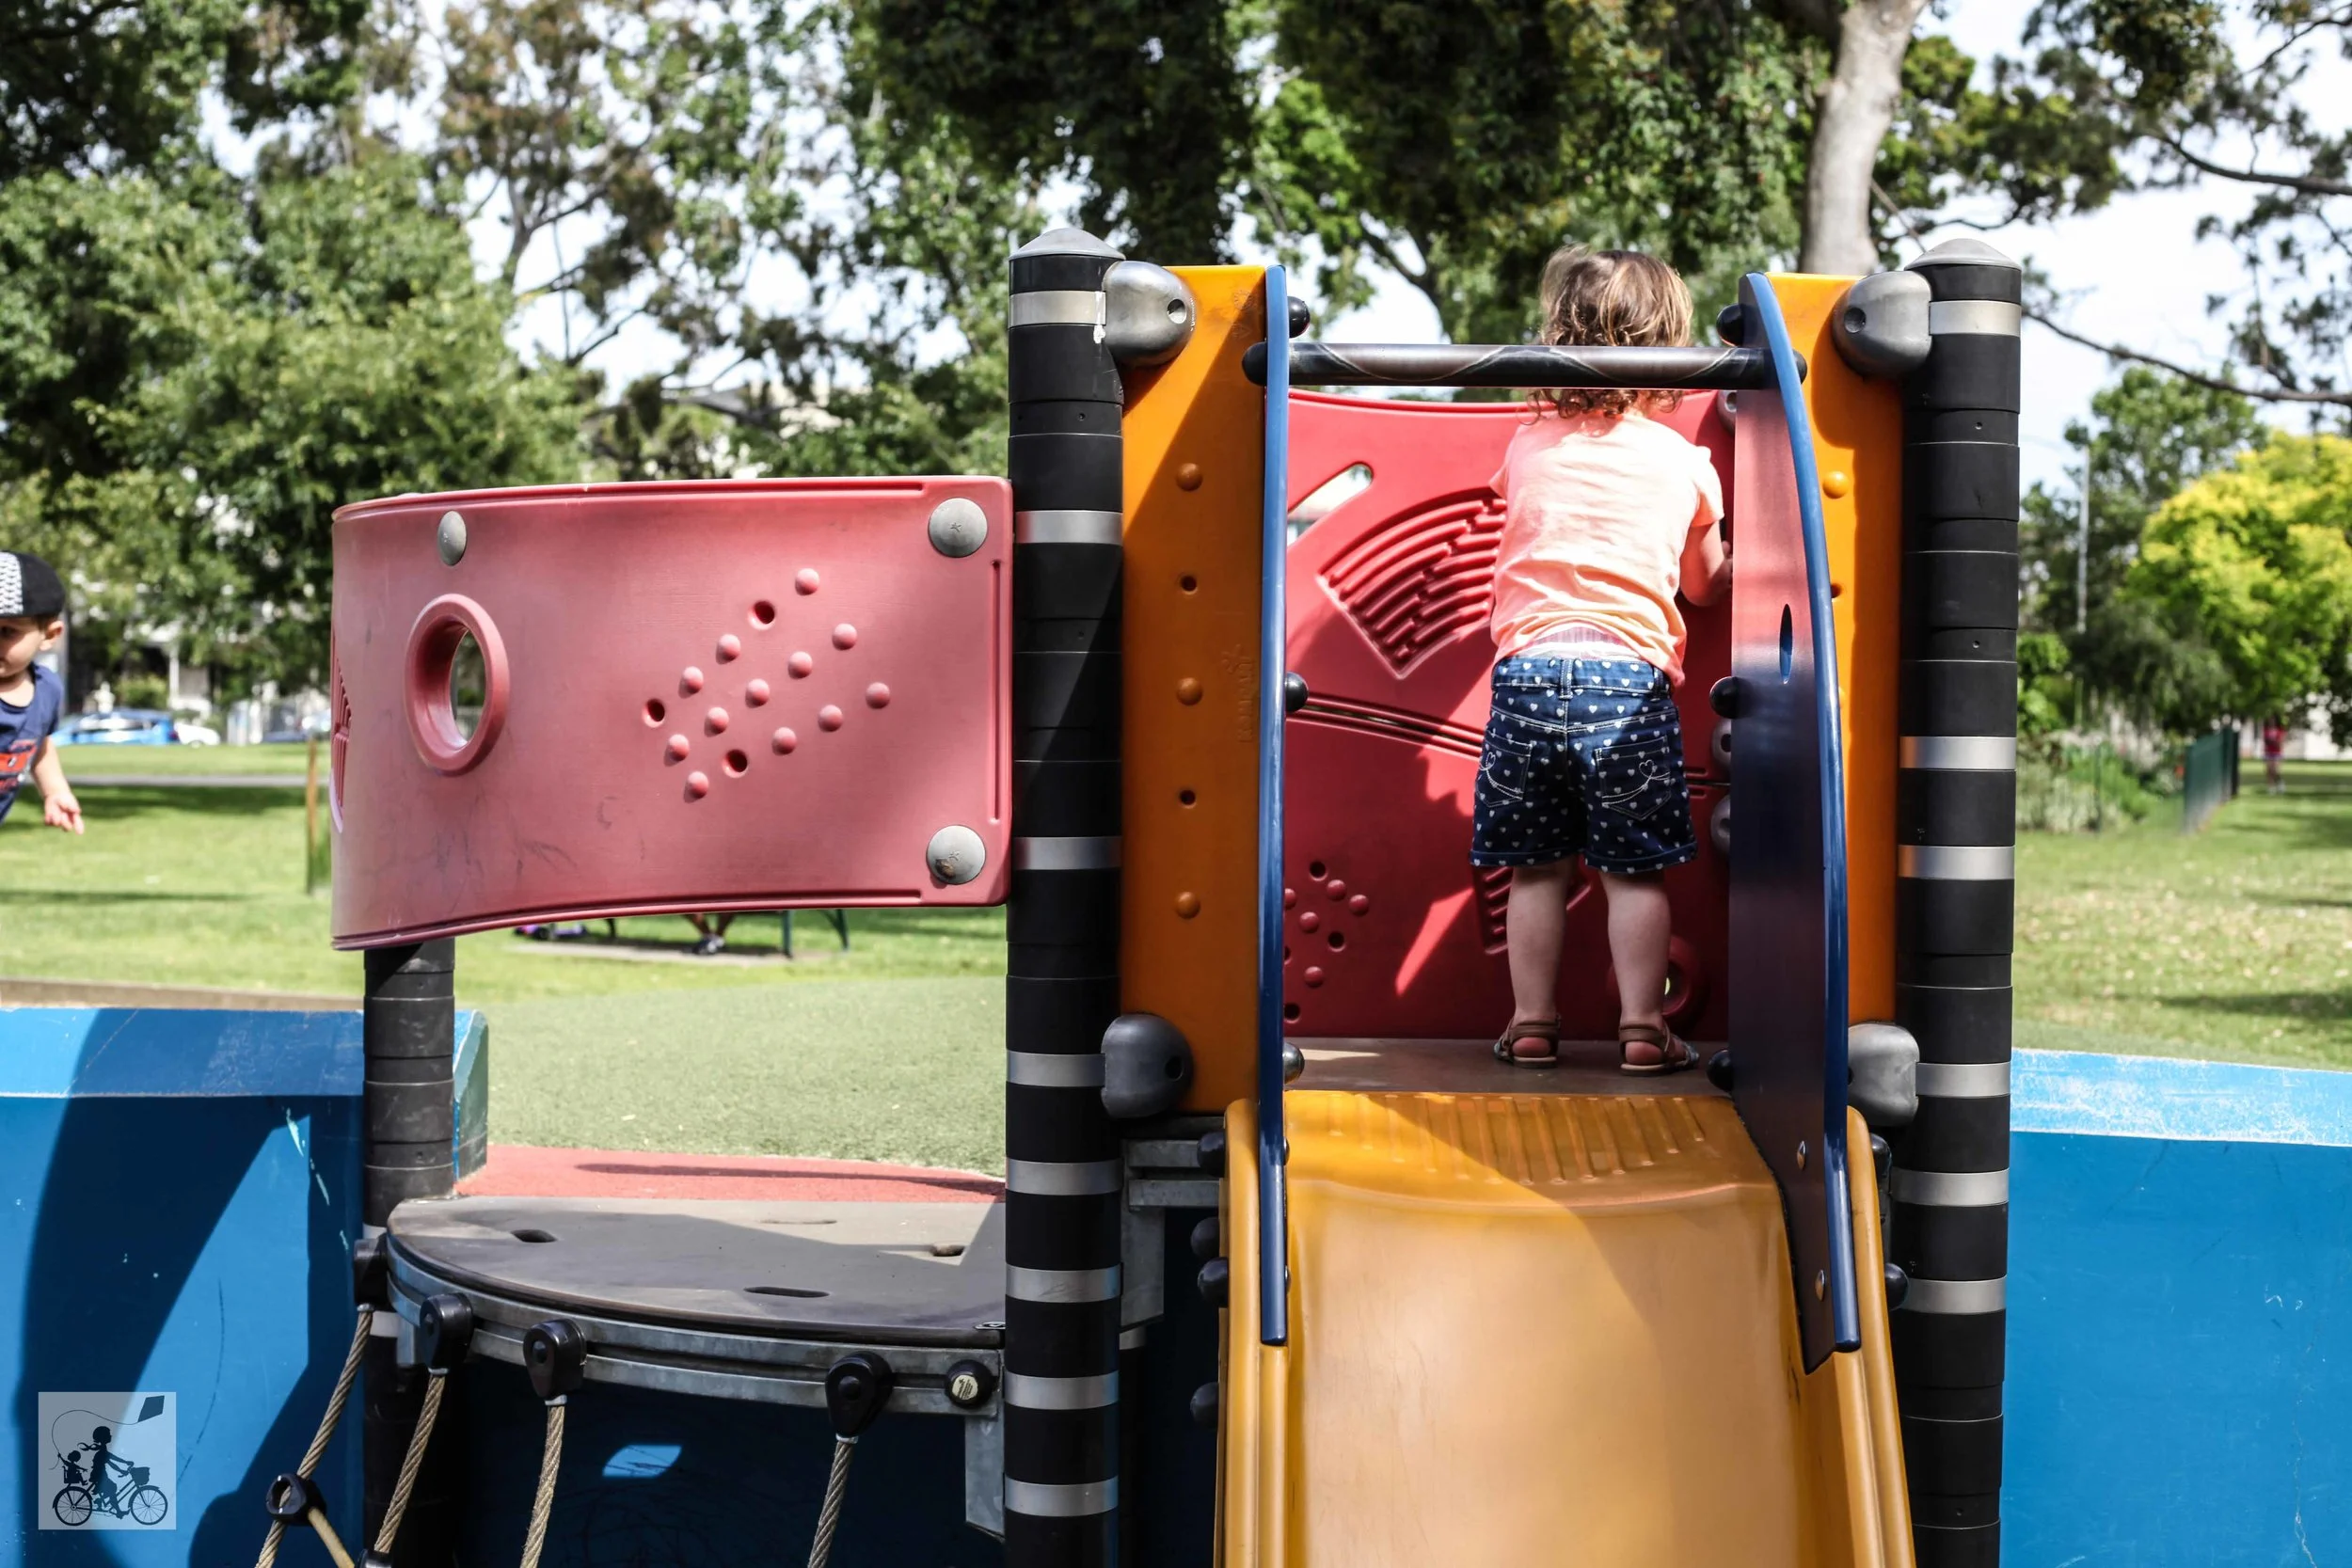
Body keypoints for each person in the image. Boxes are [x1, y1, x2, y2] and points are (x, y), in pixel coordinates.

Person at [1471, 247, 1730, 1072]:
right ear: (1670, 349)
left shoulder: (1526, 447)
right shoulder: (1686, 465)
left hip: (1527, 675)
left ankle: (1534, 1022)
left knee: (1538, 870)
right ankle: (1642, 1031)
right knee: (1634, 877)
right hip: (1629, 679)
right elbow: (1704, 586)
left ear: (1557, 338)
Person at [0, 550, 81, 833]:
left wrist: (55, 790)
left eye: (7, 631)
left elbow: (37, 744)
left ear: (48, 635)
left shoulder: (47, 689)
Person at [2263, 719, 2286, 795]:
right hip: (2268, 753)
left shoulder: (2279, 731)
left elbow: (2280, 742)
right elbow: (2265, 741)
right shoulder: (2266, 731)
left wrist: (2274, 742)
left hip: (2276, 753)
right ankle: (2271, 788)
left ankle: (2280, 783)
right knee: (2269, 771)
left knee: (2276, 770)